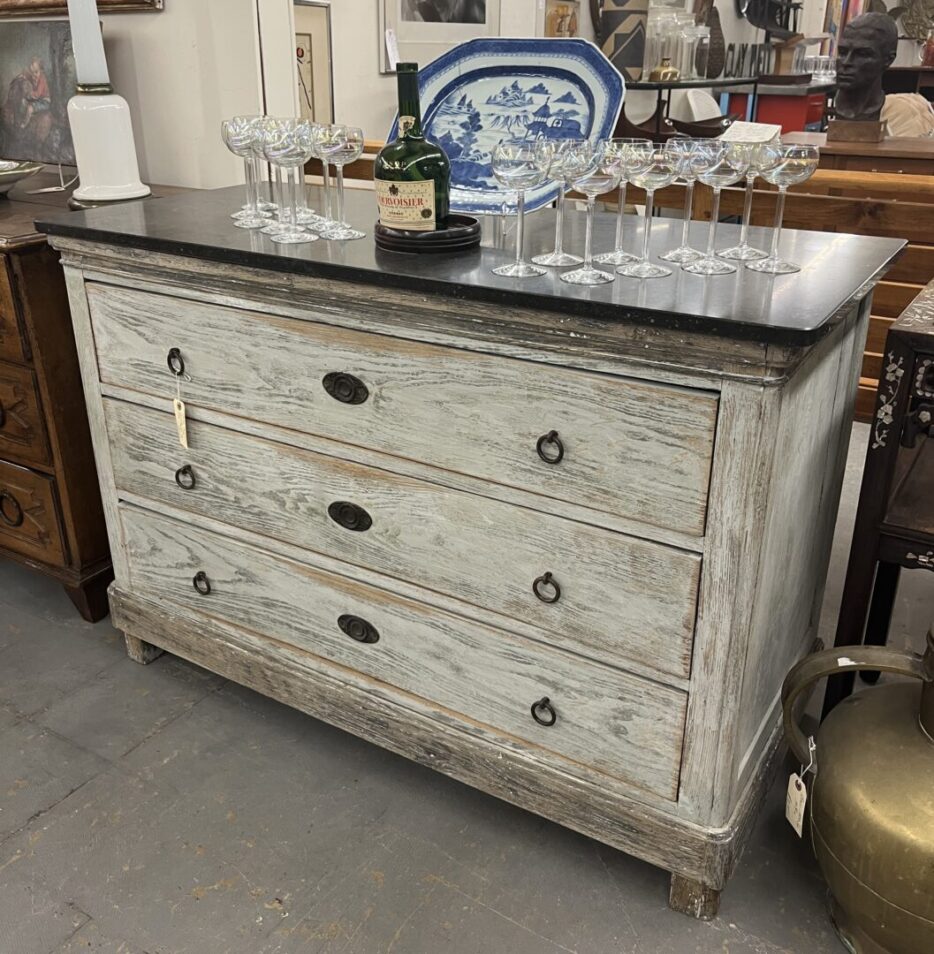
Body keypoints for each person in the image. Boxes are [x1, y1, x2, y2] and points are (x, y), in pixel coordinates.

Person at [835, 12, 898, 122]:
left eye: (862, 54)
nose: (846, 62)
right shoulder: (825, 106)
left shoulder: (899, 116)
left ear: (888, 60)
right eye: (842, 52)